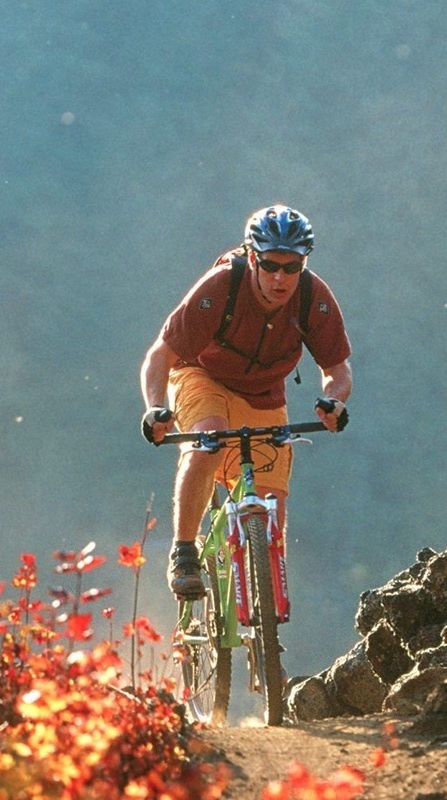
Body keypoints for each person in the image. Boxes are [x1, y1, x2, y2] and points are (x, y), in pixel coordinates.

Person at [139, 204, 352, 599]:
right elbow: (160, 356)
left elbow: (338, 370)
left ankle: (267, 626)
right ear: (253, 257)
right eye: (271, 264)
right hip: (202, 375)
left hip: (264, 392)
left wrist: (333, 401)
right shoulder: (221, 286)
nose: (280, 277)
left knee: (273, 503)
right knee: (209, 439)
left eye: (293, 267)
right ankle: (184, 552)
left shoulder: (313, 297)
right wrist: (155, 407)